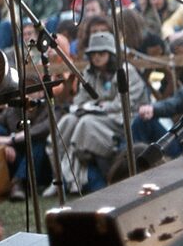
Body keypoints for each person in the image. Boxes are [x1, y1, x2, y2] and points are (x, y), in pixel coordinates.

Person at [49, 31, 149, 195]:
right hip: (98, 116)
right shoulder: (89, 72)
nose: (97, 57)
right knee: (68, 121)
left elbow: (125, 103)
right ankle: (59, 177)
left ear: (111, 53)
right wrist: (94, 106)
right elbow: (79, 100)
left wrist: (101, 107)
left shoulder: (125, 71)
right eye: (93, 53)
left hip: (125, 119)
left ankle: (75, 180)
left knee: (86, 124)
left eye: (101, 53)